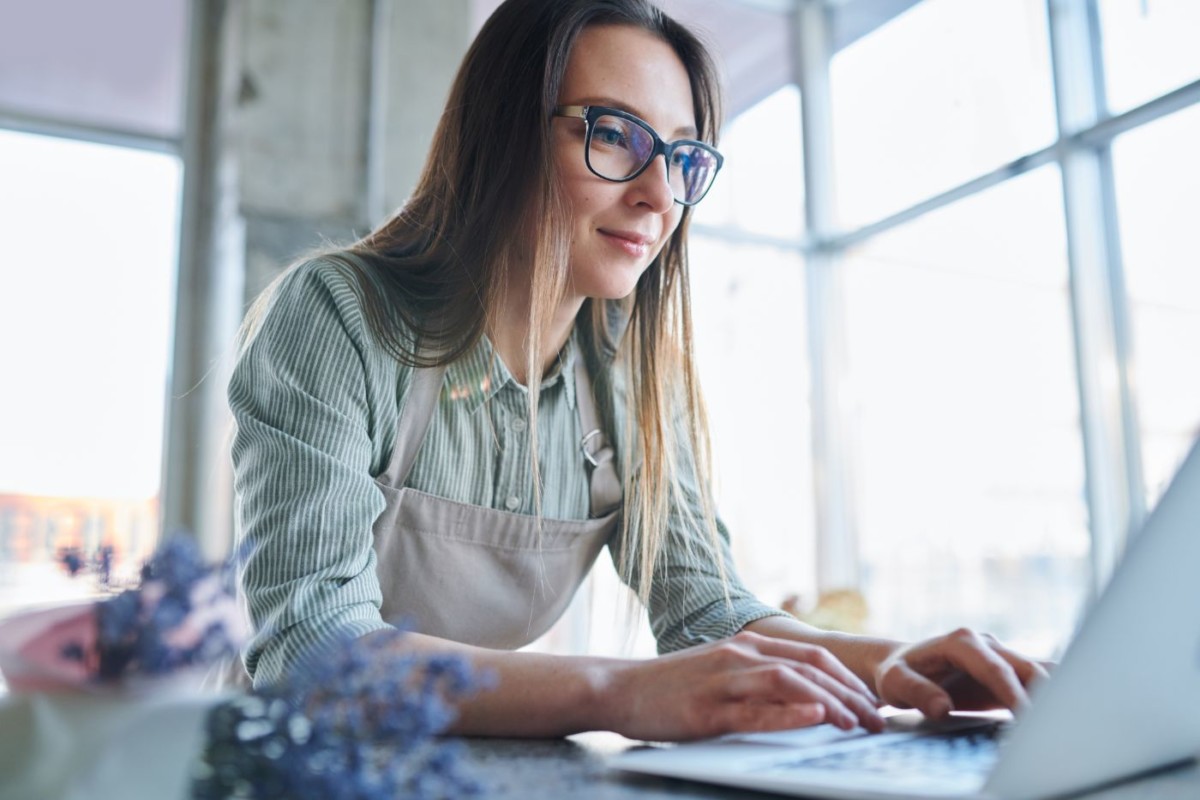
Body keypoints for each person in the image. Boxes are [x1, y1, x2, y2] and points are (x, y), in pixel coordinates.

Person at [229, 0, 1048, 741]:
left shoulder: (630, 372)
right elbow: (315, 650)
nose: (660, 194)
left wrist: (892, 660)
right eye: (614, 133)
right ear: (504, 129)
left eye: (683, 155)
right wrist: (621, 693)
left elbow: (708, 613)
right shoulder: (338, 314)